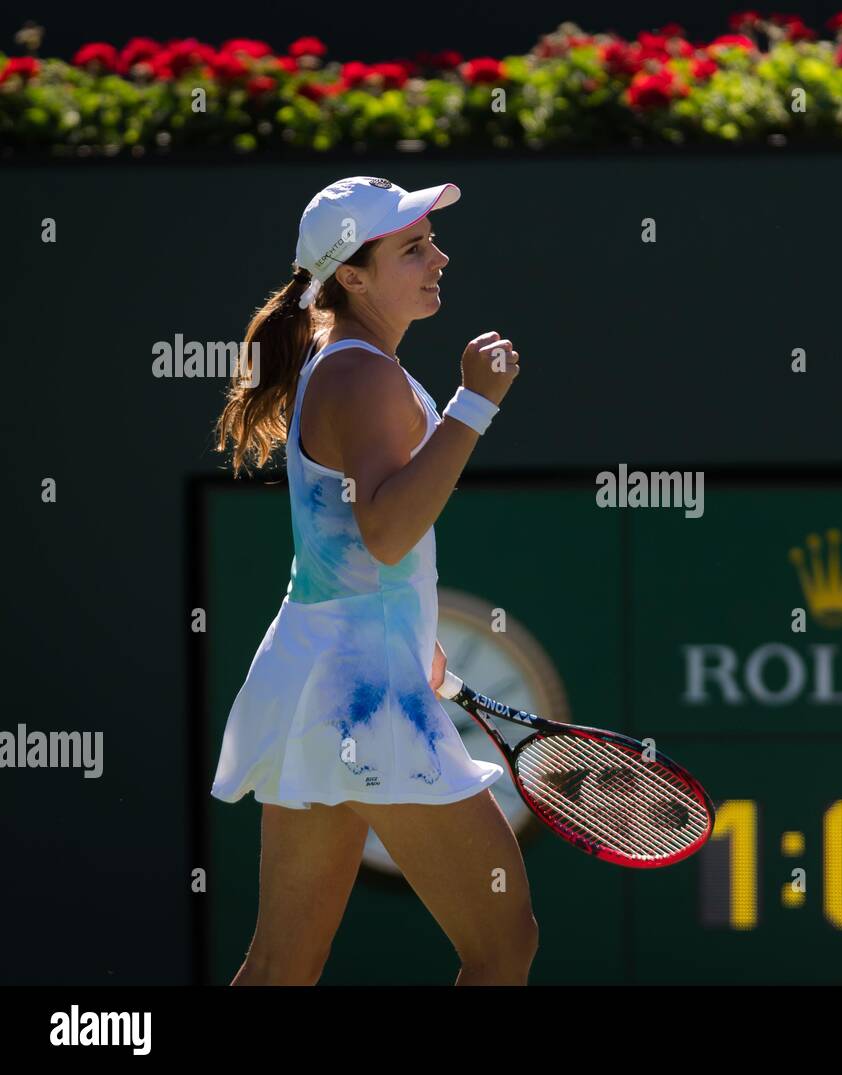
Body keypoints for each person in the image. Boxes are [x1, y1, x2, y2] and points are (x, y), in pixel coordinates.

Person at [210, 176, 536, 986]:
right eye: (414, 248)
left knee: (283, 964)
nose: (440, 258)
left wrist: (410, 637)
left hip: (324, 677)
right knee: (505, 944)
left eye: (431, 240)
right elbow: (387, 534)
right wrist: (474, 405)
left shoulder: (348, 365)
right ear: (351, 277)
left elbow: (358, 560)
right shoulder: (361, 374)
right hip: (364, 693)